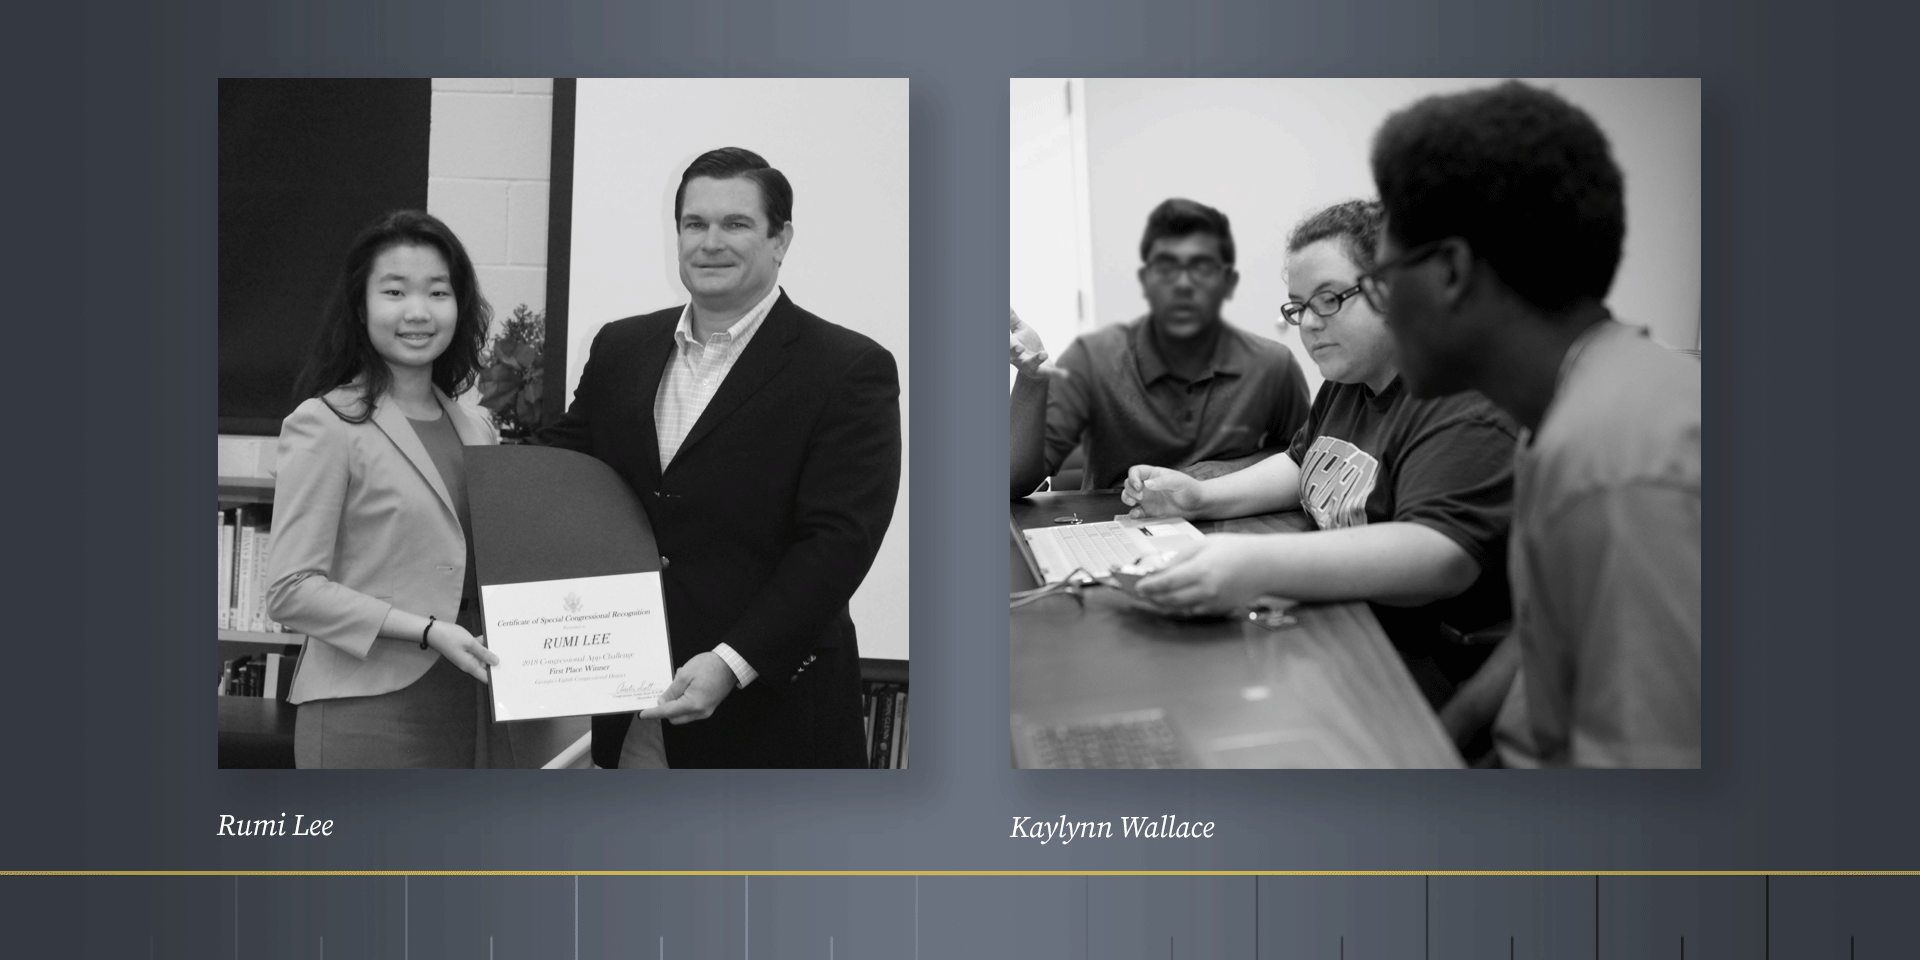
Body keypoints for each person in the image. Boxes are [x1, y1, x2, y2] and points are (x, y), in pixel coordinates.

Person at [1366, 81, 1700, 767]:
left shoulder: (1614, 463)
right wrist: (1440, 739)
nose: (1383, 310)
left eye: (1381, 281)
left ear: (1451, 271)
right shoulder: (1566, 410)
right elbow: (1548, 636)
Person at [537, 147, 902, 769]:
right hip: (634, 705)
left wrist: (732, 663)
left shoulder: (847, 368)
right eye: (694, 224)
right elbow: (565, 474)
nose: (710, 242)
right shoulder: (621, 346)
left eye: (736, 224)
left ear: (780, 239)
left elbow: (838, 542)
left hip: (773, 711)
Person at [1121, 200, 1519, 706]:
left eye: (1329, 299)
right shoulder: (1349, 381)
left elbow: (1438, 556)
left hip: (1428, 669)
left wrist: (1257, 563)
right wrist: (1198, 498)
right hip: (1348, 626)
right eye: (1298, 305)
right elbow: (1301, 462)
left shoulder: (1462, 402)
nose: (1308, 322)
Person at [265, 210, 568, 768]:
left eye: (437, 292)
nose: (417, 312)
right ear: (361, 308)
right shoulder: (325, 423)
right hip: (366, 710)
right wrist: (426, 631)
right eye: (395, 291)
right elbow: (291, 589)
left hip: (473, 703)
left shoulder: (475, 427)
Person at [1010, 198, 1310, 496]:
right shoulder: (1091, 360)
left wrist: (1216, 474)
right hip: (1120, 529)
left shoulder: (1275, 365)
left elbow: (1304, 458)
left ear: (1226, 281)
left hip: (1233, 531)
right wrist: (1031, 382)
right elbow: (1012, 483)